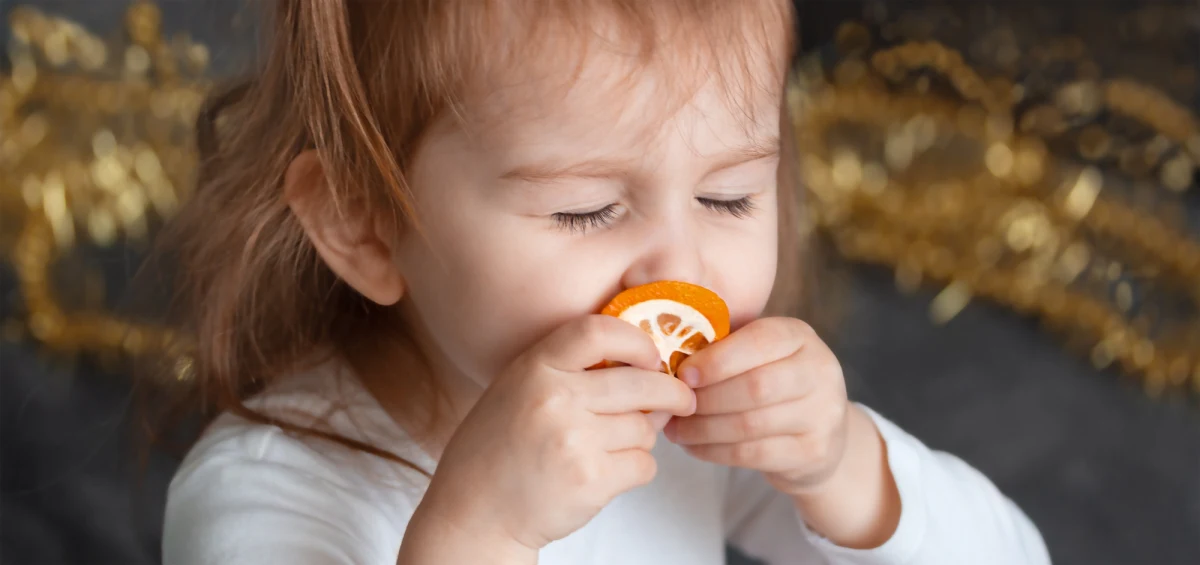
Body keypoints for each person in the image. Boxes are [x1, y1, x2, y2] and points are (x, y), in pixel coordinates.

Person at [159, 1, 1050, 564]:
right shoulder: (262, 492)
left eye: (727, 195)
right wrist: (479, 535)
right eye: (585, 211)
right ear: (366, 223)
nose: (680, 273)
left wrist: (844, 466)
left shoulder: (683, 433)